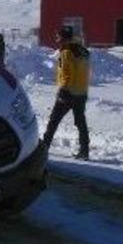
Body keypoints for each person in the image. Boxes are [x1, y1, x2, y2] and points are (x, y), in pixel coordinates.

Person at [41, 26, 91, 159]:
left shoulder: (66, 52)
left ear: (62, 38)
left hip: (68, 92)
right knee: (80, 122)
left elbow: (66, 74)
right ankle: (85, 151)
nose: (57, 40)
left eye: (58, 37)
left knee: (54, 120)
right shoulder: (83, 51)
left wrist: (63, 90)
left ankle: (44, 147)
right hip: (82, 92)